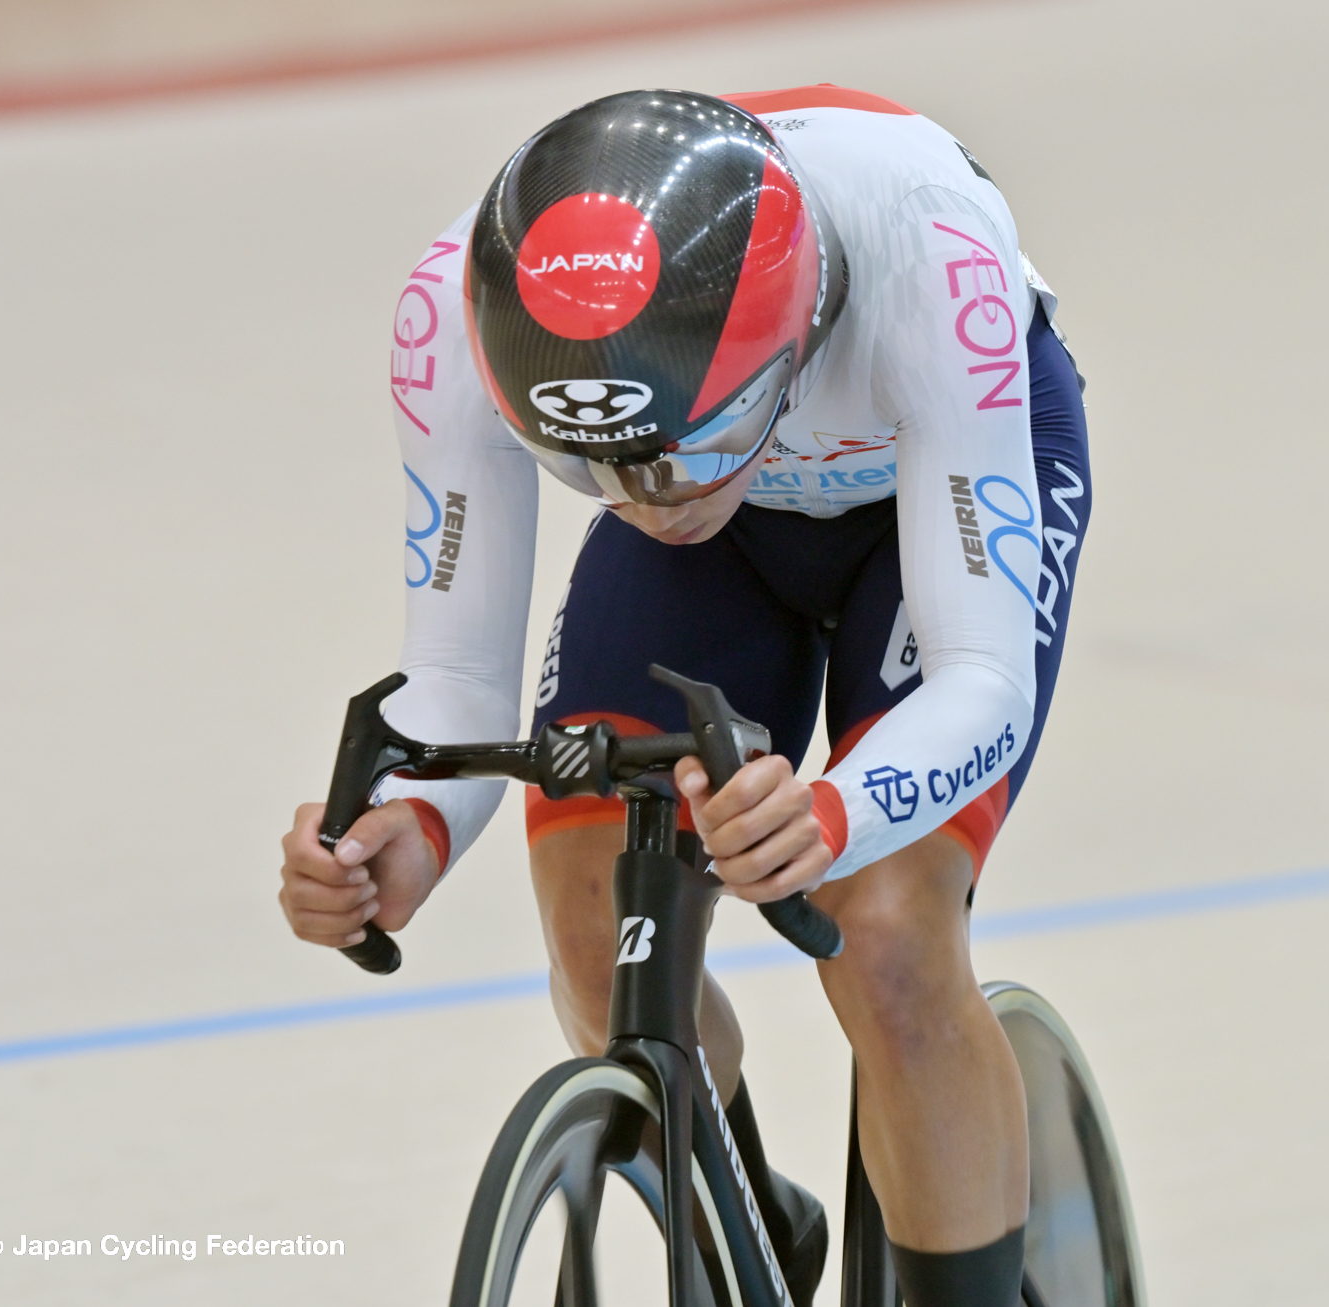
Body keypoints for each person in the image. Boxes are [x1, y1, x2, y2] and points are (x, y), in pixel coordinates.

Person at [277, 85, 1091, 1307]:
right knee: (596, 930)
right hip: (736, 509)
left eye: (671, 456)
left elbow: (983, 679)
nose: (646, 500)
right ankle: (754, 1223)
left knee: (884, 934)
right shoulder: (463, 309)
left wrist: (828, 814)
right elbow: (451, 679)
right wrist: (412, 819)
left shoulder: (929, 253)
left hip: (946, 475)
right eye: (589, 468)